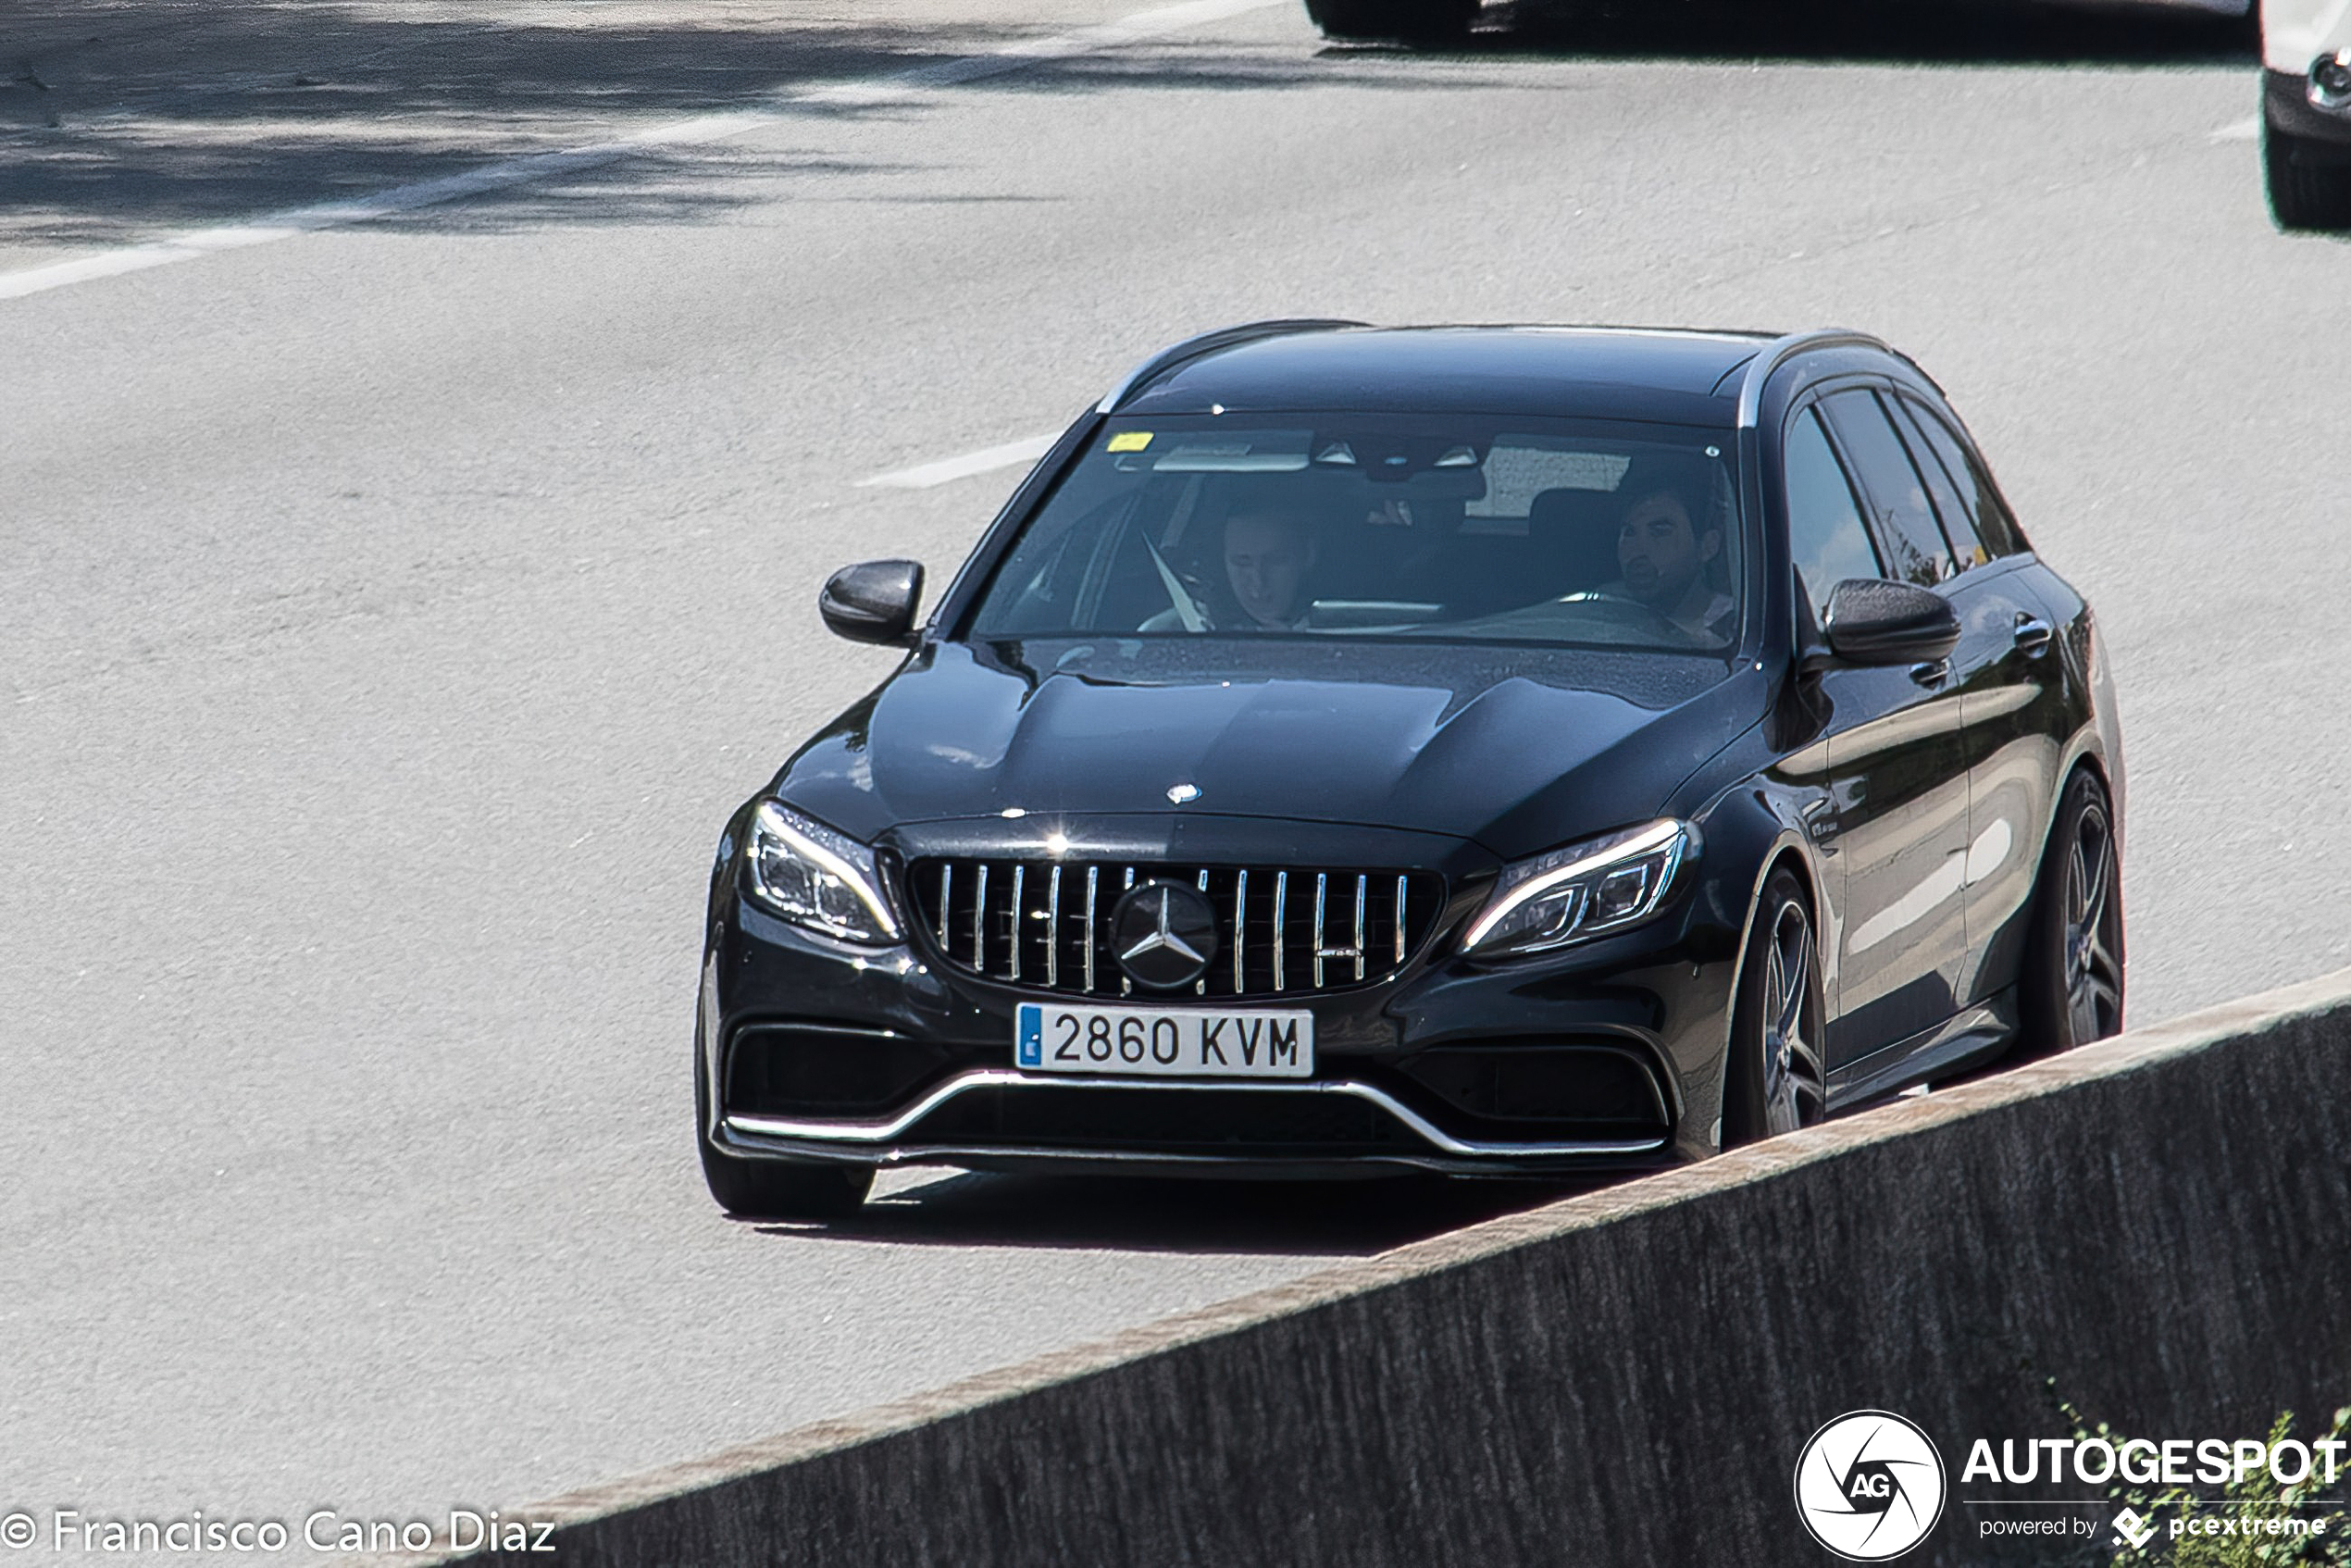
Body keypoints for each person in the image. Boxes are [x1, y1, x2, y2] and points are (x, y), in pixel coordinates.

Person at [1590, 458, 1734, 641]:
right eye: (1629, 532)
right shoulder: (1600, 609)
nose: (1637, 550)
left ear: (1707, 546)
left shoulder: (1738, 632)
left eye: (1659, 533)